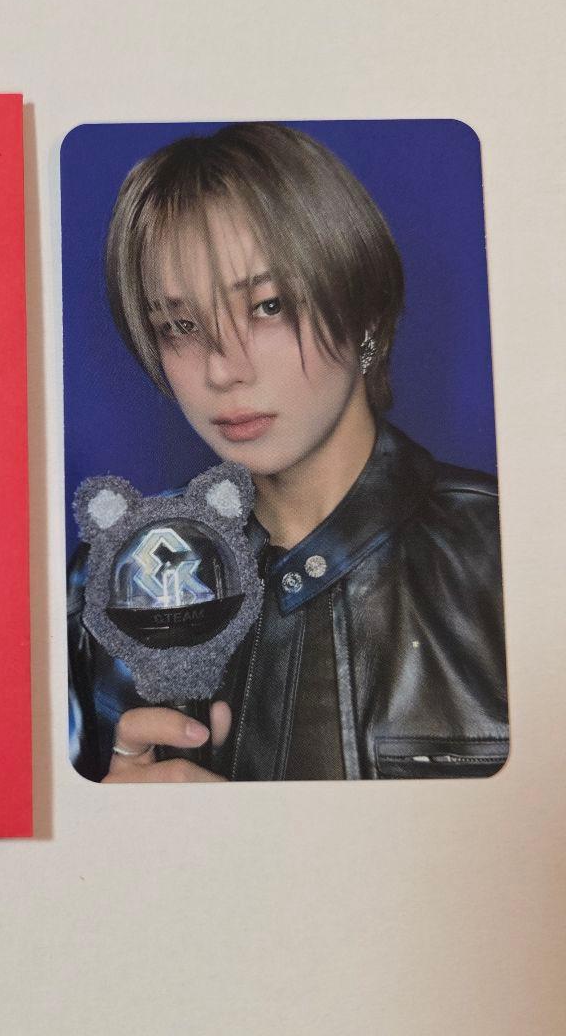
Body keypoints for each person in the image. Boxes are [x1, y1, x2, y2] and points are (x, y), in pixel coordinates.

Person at [67, 123, 509, 782]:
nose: (223, 369)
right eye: (180, 326)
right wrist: (105, 816)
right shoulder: (111, 575)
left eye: (268, 306)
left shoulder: (508, 555)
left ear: (366, 314)